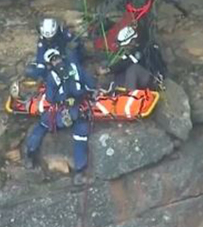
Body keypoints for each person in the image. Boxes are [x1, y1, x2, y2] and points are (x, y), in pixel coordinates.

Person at [23, 49, 96, 186]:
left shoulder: (52, 77)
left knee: (42, 125)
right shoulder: (75, 67)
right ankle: (79, 172)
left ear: (50, 63)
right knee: (81, 134)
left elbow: (50, 98)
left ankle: (30, 155)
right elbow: (91, 84)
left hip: (63, 112)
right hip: (78, 110)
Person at [97, 26, 161, 91]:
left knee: (132, 69)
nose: (126, 47)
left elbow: (128, 62)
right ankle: (115, 93)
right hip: (139, 78)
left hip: (150, 77)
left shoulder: (143, 47)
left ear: (133, 40)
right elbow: (121, 63)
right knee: (120, 72)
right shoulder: (130, 51)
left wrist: (109, 70)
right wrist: (108, 70)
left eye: (127, 45)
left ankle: (131, 95)